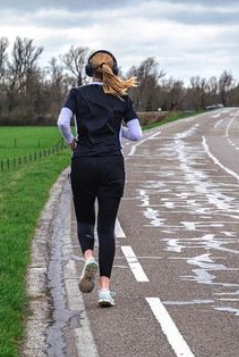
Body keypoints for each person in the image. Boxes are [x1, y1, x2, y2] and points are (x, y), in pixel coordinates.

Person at [57, 49, 142, 307]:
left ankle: (88, 256)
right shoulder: (121, 97)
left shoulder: (77, 94)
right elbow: (137, 135)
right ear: (113, 71)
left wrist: (72, 141)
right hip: (112, 165)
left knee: (84, 219)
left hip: (83, 162)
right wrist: (118, 130)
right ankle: (105, 290)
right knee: (106, 228)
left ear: (87, 71)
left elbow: (62, 122)